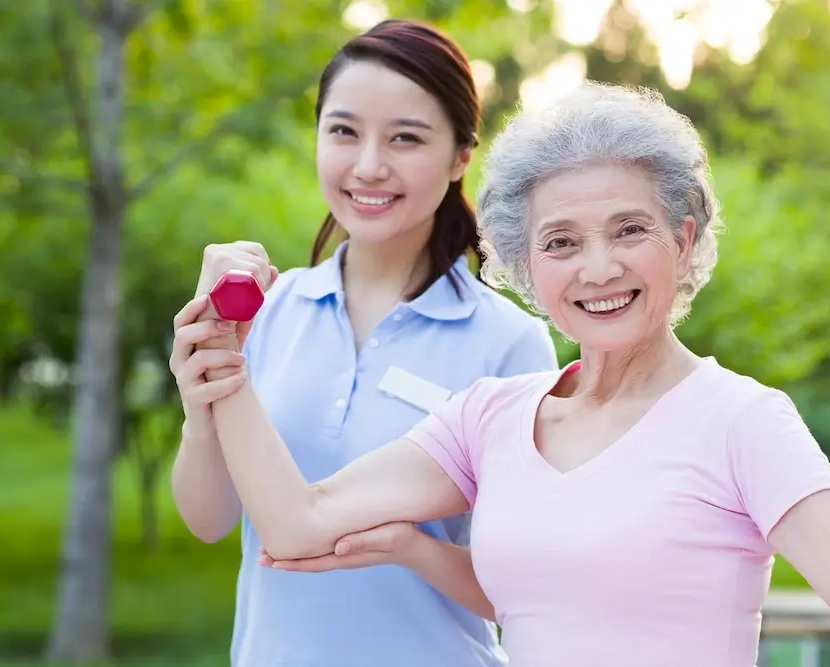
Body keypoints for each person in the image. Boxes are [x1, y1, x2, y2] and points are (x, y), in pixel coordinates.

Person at [180, 81, 830, 666]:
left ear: (682, 242)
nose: (599, 267)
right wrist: (225, 364)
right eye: (561, 242)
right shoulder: (490, 416)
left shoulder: (741, 420)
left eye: (630, 229)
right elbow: (297, 521)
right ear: (525, 265)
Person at [168, 19, 557, 667]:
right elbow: (209, 522)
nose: (369, 166)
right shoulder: (264, 312)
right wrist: (203, 401)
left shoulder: (510, 343)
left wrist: (408, 545)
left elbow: (528, 587)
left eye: (405, 138)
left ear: (462, 155)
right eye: (344, 131)